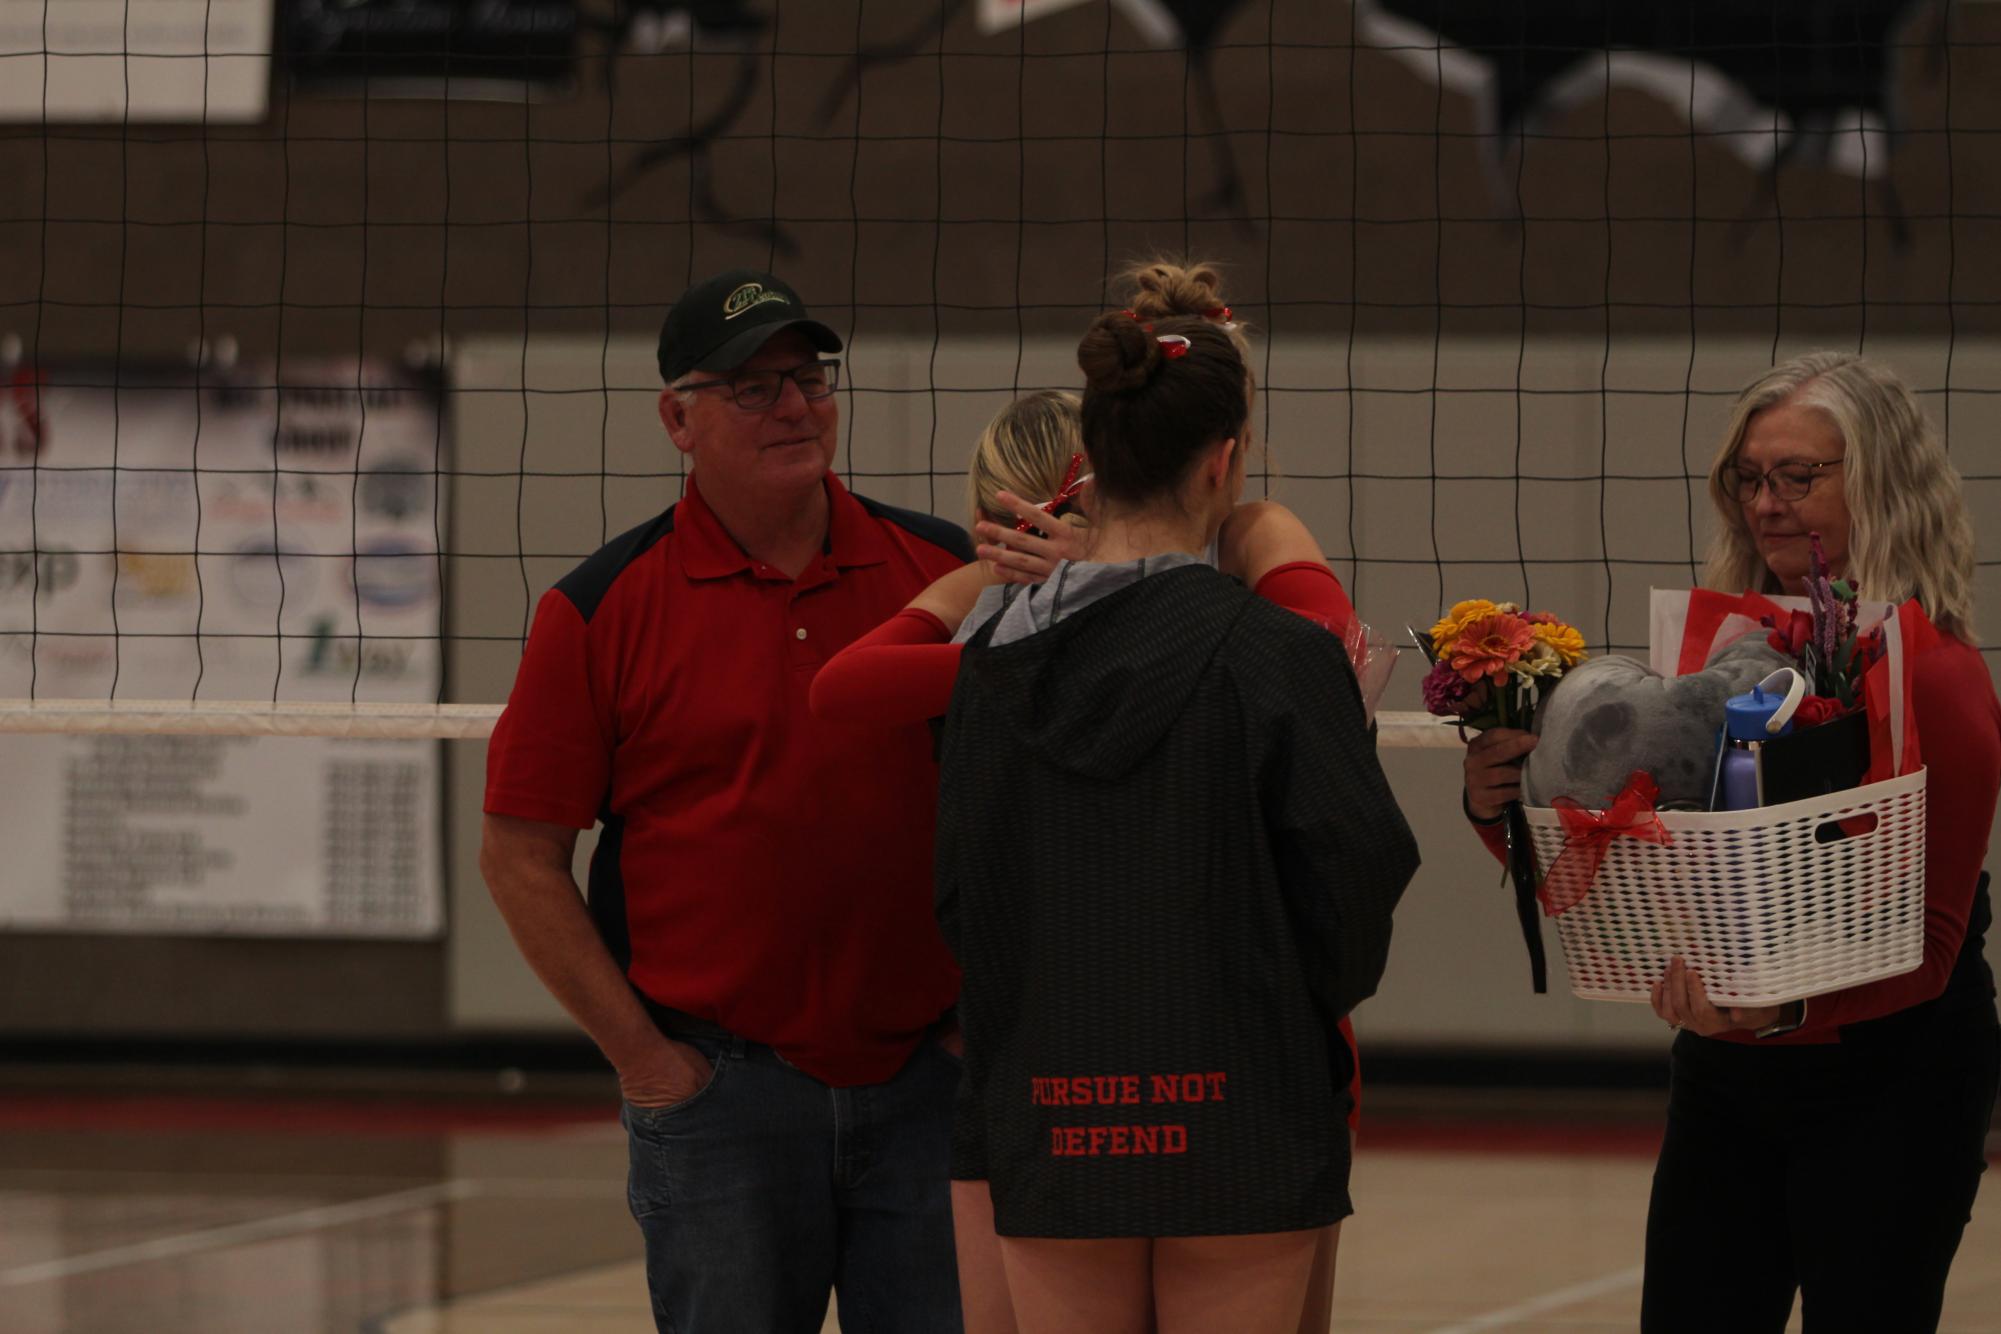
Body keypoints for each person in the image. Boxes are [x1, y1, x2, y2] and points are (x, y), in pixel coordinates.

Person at [1462, 351, 1999, 1333]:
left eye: (1800, 476)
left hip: (1893, 1077)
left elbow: (1932, 943)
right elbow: (1634, 871)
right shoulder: (1720, 653)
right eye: (1750, 478)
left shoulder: (1939, 670)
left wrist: (1773, 1010)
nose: (1767, 503)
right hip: (1729, 1073)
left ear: (1881, 484)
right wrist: (1505, 812)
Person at [479, 269, 973, 1334]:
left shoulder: (945, 571)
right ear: (678, 417)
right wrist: (650, 1066)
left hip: (931, 1084)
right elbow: (519, 856)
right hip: (723, 1100)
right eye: (752, 387)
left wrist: (986, 1018)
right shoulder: (598, 608)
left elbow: (1035, 812)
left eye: (808, 376)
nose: (794, 404)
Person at [810, 381, 1361, 1334]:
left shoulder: (998, 660)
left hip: (1054, 1067)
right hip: (1239, 1069)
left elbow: (847, 691)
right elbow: (1322, 668)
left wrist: (1038, 605)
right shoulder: (1226, 626)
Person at [934, 309, 1419, 1334]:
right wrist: (1286, 1006)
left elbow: (962, 894)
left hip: (1052, 1108)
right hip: (1242, 1110)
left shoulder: (988, 666)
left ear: (1091, 458)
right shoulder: (1281, 655)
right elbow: (1361, 863)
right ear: (1224, 460)